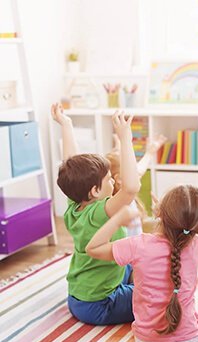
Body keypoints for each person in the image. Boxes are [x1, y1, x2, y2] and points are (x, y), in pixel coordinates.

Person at [85, 185, 198, 342]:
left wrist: (117, 220)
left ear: (159, 214)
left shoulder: (138, 245)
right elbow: (179, 230)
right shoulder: (196, 244)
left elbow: (92, 248)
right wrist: (167, 213)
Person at [52, 103, 140, 324]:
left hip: (78, 298)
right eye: (109, 179)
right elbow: (130, 188)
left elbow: (70, 163)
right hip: (102, 304)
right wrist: (125, 138)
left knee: (135, 260)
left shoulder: (74, 204)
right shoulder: (100, 212)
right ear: (95, 190)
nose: (113, 180)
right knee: (159, 296)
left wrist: (67, 125)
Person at [106, 133, 167, 236]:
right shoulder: (122, 201)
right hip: (129, 249)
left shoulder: (121, 190)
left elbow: (139, 170)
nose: (137, 173)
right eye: (133, 170)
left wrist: (149, 153)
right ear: (119, 179)